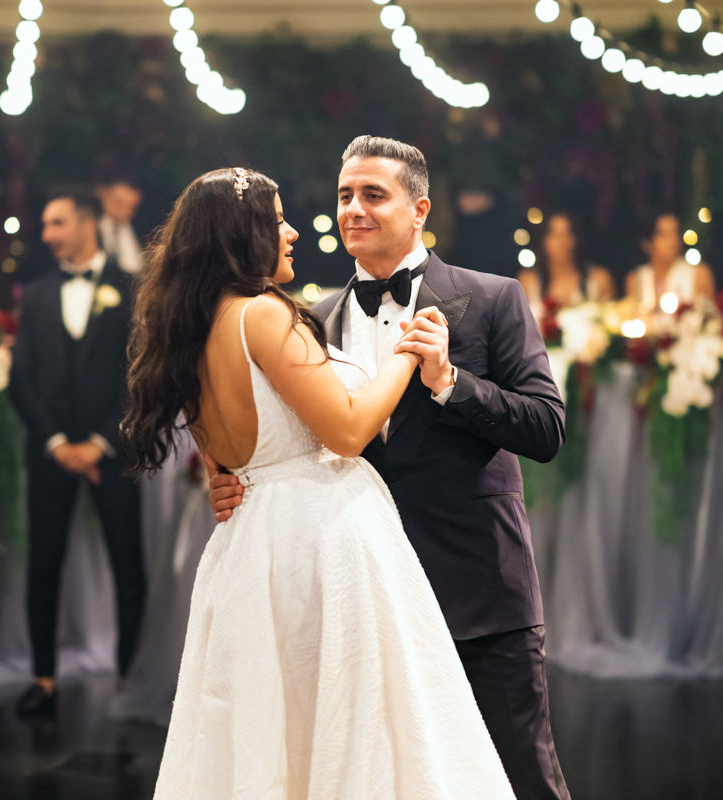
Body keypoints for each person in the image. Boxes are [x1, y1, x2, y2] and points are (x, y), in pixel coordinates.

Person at [126, 165, 513, 798]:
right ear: (241, 234)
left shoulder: (188, 330)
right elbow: (350, 431)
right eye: (277, 221)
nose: (292, 232)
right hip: (321, 542)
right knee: (353, 721)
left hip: (250, 545)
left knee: (272, 726)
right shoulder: (262, 316)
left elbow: (227, 456)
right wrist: (409, 353)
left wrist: (226, 477)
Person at [207, 137, 572, 799]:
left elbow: (546, 429)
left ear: (419, 209)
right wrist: (230, 477)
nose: (353, 209)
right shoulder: (308, 318)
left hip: (476, 590)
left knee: (521, 779)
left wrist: (452, 382)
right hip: (359, 597)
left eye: (373, 195)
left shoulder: (492, 297)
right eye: (345, 195)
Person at [9, 186, 145, 717]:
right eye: (46, 224)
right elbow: (21, 379)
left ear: (88, 224)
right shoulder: (37, 293)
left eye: (56, 223)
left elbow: (139, 375)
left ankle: (130, 675)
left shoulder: (130, 288)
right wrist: (58, 444)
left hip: (112, 452)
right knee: (43, 565)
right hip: (51, 454)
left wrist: (99, 442)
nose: (46, 235)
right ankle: (42, 678)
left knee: (127, 564)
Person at [518, 211, 615, 317]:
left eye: (567, 234)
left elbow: (610, 320)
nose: (561, 242)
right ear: (543, 240)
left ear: (576, 239)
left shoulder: (599, 279)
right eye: (554, 235)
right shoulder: (528, 281)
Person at [625, 211, 715, 312]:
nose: (673, 240)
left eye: (675, 232)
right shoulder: (636, 279)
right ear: (646, 243)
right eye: (664, 235)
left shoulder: (699, 274)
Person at [94, 175, 144, 274]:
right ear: (102, 194)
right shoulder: (90, 226)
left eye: (132, 207)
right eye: (119, 203)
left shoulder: (136, 228)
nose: (128, 212)